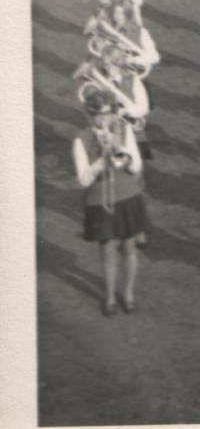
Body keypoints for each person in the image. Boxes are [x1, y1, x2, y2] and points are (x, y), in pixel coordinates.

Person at [72, 90, 150, 316]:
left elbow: (135, 167)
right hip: (99, 199)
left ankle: (128, 294)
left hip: (128, 195)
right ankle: (109, 297)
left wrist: (119, 149)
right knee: (107, 249)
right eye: (98, 115)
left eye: (108, 114)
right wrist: (101, 161)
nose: (104, 120)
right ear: (90, 116)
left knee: (129, 247)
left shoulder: (125, 131)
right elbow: (83, 179)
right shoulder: (81, 139)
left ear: (115, 114)